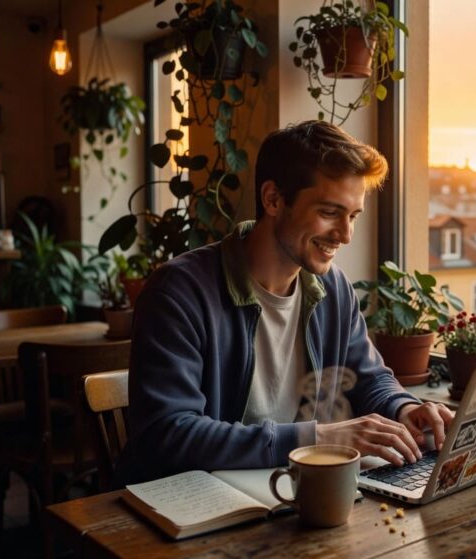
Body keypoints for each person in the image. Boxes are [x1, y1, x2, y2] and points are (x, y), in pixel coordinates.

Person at [115, 121, 454, 485]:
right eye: (329, 213)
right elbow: (168, 434)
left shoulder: (332, 287)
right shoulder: (178, 293)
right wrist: (315, 439)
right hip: (195, 504)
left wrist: (404, 410)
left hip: (285, 492)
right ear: (273, 199)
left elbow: (368, 380)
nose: (345, 234)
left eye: (353, 216)